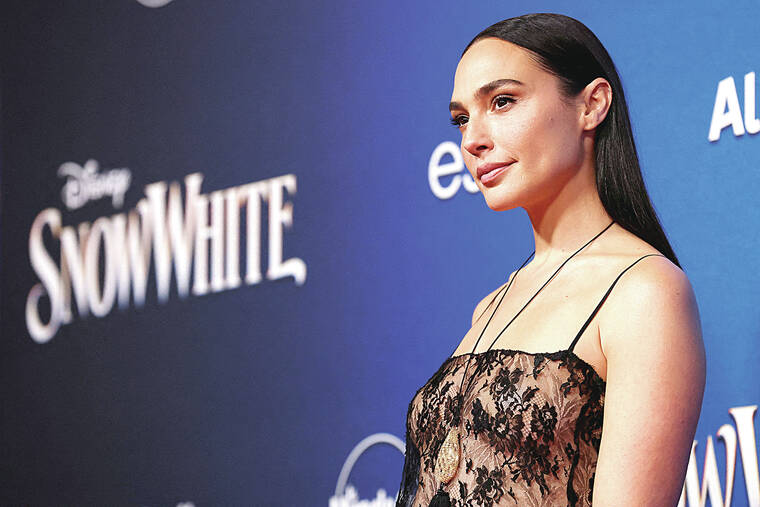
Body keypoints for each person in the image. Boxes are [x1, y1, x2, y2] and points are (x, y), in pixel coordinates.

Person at [396, 13, 705, 507]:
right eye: (461, 119)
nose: (471, 140)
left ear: (592, 104)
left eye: (502, 102)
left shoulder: (644, 292)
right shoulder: (490, 307)